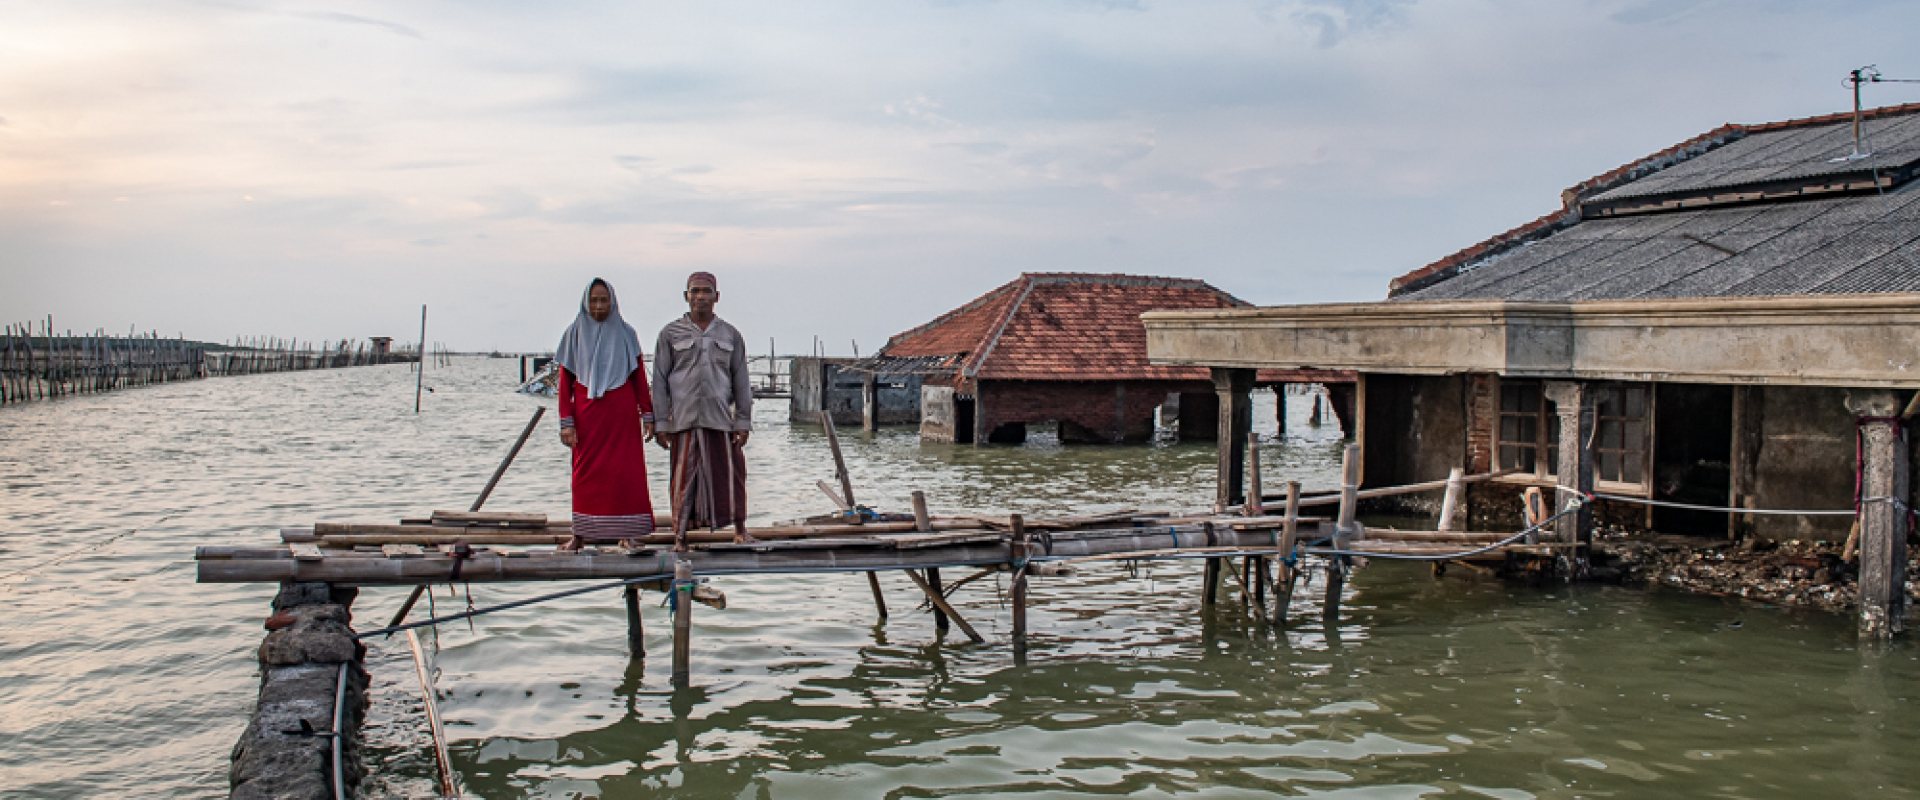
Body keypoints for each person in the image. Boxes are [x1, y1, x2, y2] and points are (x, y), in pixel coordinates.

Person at [646, 271, 753, 551]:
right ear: (686, 296)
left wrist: (743, 421)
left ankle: (740, 529)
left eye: (706, 291)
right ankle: (680, 536)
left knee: (731, 475)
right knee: (683, 479)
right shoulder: (670, 334)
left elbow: (741, 380)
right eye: (695, 291)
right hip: (683, 419)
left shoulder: (730, 335)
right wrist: (661, 422)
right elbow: (660, 380)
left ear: (717, 297)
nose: (701, 297)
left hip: (720, 418)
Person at [555, 278, 655, 549]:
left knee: (625, 473)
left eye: (603, 300)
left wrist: (647, 415)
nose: (599, 306)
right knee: (584, 473)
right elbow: (564, 384)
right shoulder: (574, 333)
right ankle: (580, 534)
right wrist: (566, 422)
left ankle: (627, 534)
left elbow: (638, 378)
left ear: (613, 302)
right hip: (587, 416)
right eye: (594, 300)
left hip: (621, 415)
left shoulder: (626, 333)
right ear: (585, 303)